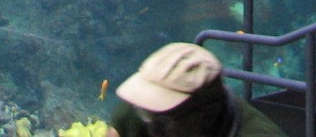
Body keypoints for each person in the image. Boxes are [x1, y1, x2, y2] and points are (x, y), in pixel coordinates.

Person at [104, 42, 285, 137]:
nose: (154, 130)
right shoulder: (142, 114)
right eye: (147, 112)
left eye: (165, 121)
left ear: (205, 116)